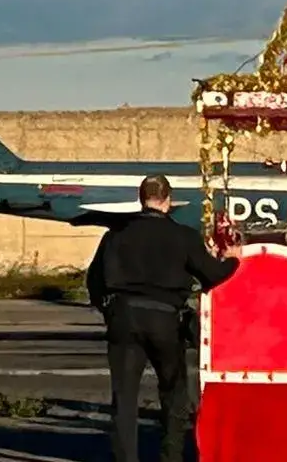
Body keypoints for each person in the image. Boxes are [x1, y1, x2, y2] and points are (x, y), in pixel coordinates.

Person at [85, 174, 242, 462]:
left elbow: (94, 281)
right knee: (173, 392)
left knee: (124, 399)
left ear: (140, 199)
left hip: (124, 317)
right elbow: (211, 275)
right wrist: (233, 259)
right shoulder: (183, 236)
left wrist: (109, 311)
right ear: (168, 201)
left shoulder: (114, 236)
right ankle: (170, 455)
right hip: (165, 320)